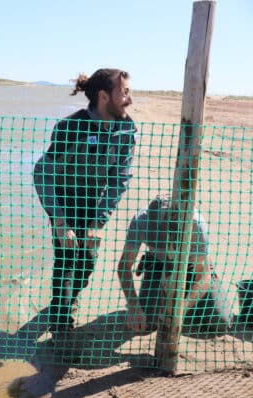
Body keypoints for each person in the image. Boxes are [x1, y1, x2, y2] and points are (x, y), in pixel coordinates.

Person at [33, 68, 137, 337]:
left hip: (94, 204)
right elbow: (43, 172)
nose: (130, 99)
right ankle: (61, 323)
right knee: (66, 259)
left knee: (88, 261)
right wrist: (58, 219)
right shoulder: (70, 127)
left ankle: (70, 299)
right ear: (104, 96)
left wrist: (98, 221)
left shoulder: (126, 129)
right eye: (124, 92)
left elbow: (119, 179)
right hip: (63, 201)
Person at [117, 194, 232, 335]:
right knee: (147, 323)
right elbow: (124, 267)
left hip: (192, 267)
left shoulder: (195, 224)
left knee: (220, 322)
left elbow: (202, 275)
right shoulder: (141, 221)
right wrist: (134, 306)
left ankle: (191, 306)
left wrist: (181, 311)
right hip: (158, 264)